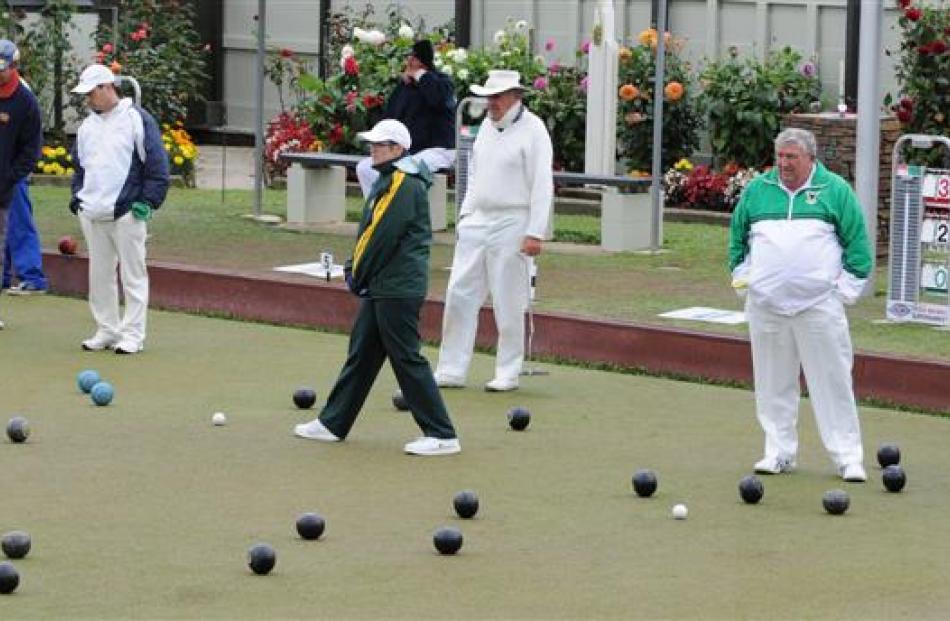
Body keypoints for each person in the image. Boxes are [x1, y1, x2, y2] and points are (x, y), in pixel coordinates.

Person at [294, 119, 461, 456]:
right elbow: (372, 232)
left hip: (396, 285)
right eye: (372, 143)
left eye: (381, 144)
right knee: (363, 354)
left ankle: (442, 433)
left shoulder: (401, 181)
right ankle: (333, 423)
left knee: (406, 357)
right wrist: (359, 270)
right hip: (384, 282)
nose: (373, 149)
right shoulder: (389, 179)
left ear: (398, 150)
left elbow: (382, 234)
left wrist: (356, 271)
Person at [728, 127, 872, 482]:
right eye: (780, 156)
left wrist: (842, 293)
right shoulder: (757, 190)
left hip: (819, 306)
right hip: (766, 307)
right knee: (773, 382)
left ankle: (847, 457)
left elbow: (858, 246)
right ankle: (778, 453)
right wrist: (746, 282)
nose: (784, 164)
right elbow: (738, 241)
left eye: (791, 157)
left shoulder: (835, 190)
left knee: (832, 380)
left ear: (810, 158)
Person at [434, 70, 553, 392]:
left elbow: (543, 183)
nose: (491, 103)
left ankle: (508, 372)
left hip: (513, 220)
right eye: (489, 97)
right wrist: (465, 216)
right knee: (459, 294)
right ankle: (451, 369)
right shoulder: (486, 126)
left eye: (497, 97)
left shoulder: (535, 130)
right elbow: (474, 174)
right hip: (478, 220)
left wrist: (535, 232)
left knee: (508, 299)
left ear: (516, 96)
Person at [69, 64, 169, 354]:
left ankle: (133, 335)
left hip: (127, 212)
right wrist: (78, 201)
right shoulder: (87, 126)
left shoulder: (137, 119)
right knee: (99, 275)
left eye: (91, 93)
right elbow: (80, 168)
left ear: (106, 87)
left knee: (133, 274)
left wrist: (148, 202)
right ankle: (107, 330)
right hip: (92, 212)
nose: (88, 99)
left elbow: (157, 165)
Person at [355, 39, 455, 198]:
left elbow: (437, 99)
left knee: (404, 169)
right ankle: (376, 214)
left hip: (438, 150)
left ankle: (398, 215)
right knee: (365, 168)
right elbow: (389, 119)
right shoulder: (404, 87)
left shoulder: (442, 81)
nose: (408, 62)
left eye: (413, 58)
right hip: (407, 152)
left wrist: (421, 75)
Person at [0, 39, 42, 330]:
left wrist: (10, 177)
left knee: (18, 221)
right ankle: (6, 278)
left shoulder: (24, 98)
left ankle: (31, 276)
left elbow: (31, 148)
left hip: (9, 179)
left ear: (14, 66)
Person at [3, 179, 49, 295]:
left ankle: (32, 279)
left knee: (19, 223)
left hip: (12, 174)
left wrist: (16, 172)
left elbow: (28, 160)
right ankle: (4, 277)